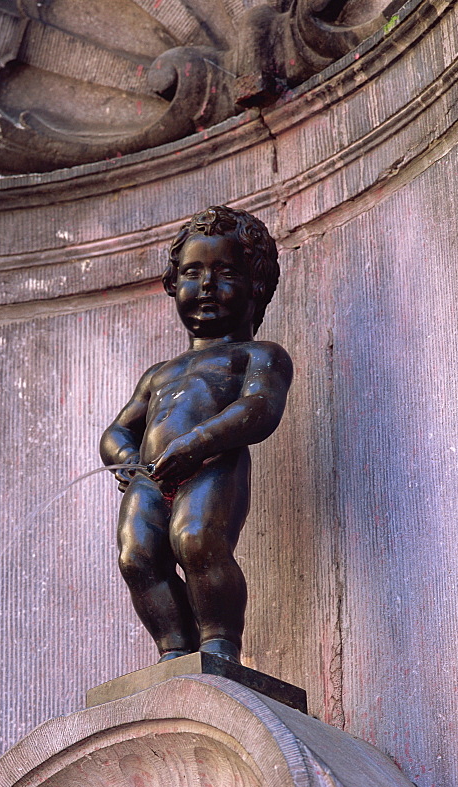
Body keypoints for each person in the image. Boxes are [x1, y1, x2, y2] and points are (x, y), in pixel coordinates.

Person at [100, 206, 292, 664]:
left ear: (257, 286)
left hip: (212, 465)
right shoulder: (158, 373)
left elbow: (259, 409)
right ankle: (174, 651)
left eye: (225, 272)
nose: (207, 285)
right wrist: (126, 457)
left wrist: (198, 444)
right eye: (192, 272)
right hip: (150, 476)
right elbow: (117, 429)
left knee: (197, 539)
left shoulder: (259, 355)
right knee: (137, 556)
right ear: (172, 285)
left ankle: (219, 645)